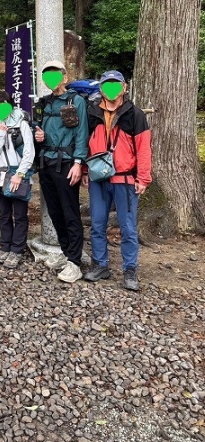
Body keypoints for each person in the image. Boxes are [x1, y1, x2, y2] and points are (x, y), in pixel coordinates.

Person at [82, 70, 152, 291]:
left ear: (124, 87)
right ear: (101, 89)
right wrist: (84, 170)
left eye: (115, 85)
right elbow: (85, 142)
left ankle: (130, 269)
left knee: (128, 227)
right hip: (98, 177)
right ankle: (100, 264)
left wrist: (143, 178)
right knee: (97, 223)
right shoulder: (92, 112)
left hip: (125, 178)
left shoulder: (135, 115)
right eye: (107, 85)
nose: (111, 89)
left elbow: (143, 148)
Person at [33, 60, 88, 283]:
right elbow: (40, 129)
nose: (51, 80)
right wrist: (39, 136)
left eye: (56, 75)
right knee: (55, 211)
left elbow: (82, 132)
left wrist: (78, 163)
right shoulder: (45, 103)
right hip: (46, 162)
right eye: (47, 76)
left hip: (66, 163)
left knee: (70, 211)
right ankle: (66, 253)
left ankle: (75, 262)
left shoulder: (76, 101)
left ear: (65, 77)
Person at [0, 91, 35, 269]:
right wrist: (0, 134)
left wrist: (19, 174)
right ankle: (6, 247)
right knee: (4, 214)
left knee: (20, 214)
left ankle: (16, 250)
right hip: (1, 176)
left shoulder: (22, 124)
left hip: (19, 174)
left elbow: (29, 152)